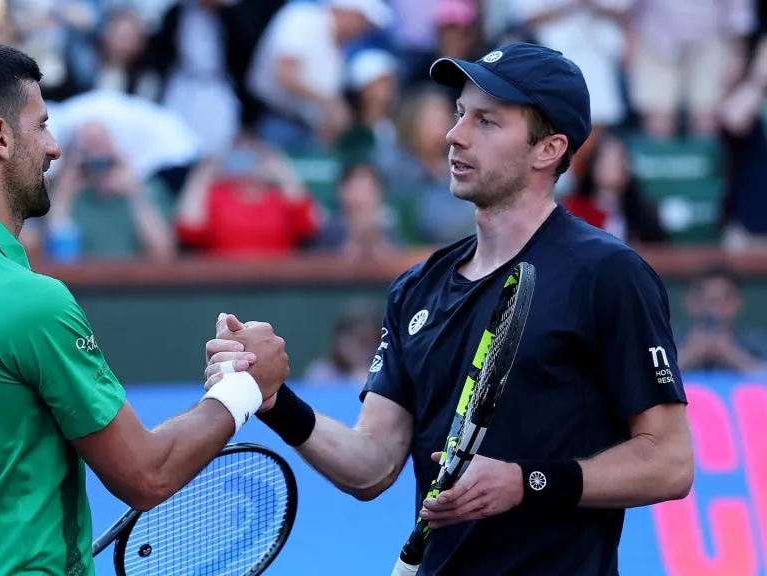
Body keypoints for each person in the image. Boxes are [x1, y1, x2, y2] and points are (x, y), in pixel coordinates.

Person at [205, 42, 695, 575]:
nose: (454, 135)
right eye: (460, 113)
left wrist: (525, 481)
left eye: (487, 122)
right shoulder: (416, 288)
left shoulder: (609, 274)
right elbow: (372, 465)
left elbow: (669, 462)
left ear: (547, 149)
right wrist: (275, 400)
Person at [0, 41, 289, 576]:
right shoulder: (34, 302)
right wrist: (248, 386)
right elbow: (146, 474)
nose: (54, 147)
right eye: (40, 125)